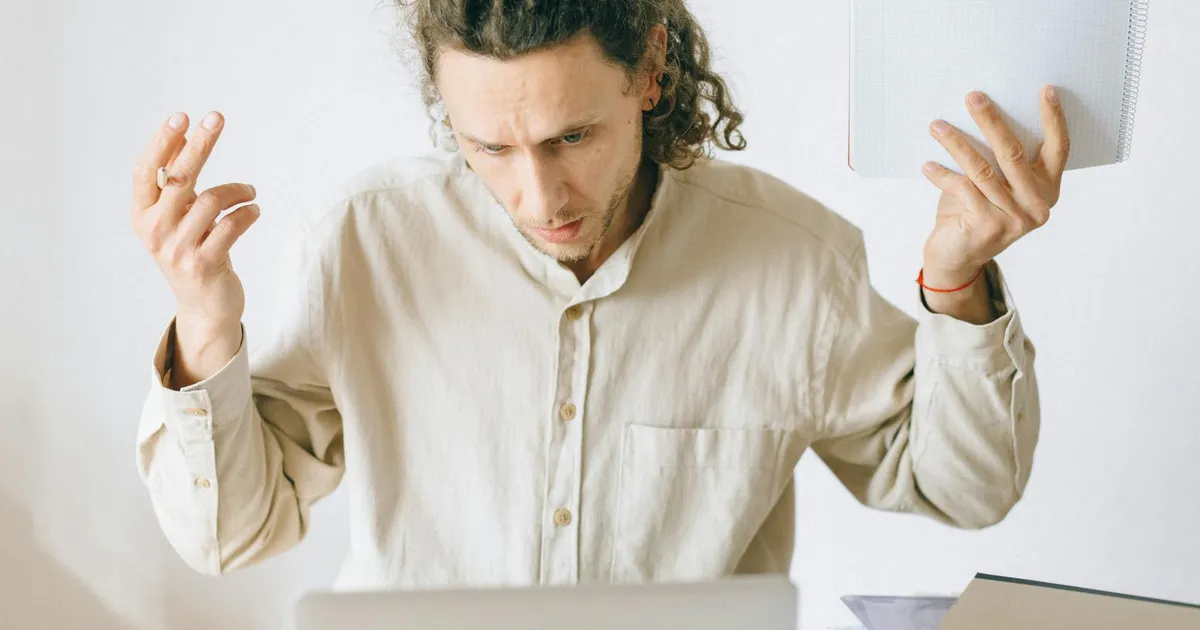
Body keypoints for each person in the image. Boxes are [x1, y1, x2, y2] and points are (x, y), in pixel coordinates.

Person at [132, 0, 1066, 587]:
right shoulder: (363, 243)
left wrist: (956, 285)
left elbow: (966, 490)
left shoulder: (794, 261)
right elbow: (231, 535)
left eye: (571, 138)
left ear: (651, 73)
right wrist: (206, 324)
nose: (538, 199)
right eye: (491, 148)